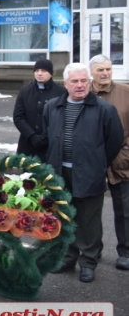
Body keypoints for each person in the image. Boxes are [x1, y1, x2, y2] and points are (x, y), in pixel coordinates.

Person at [45, 63, 123, 283]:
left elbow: (114, 141)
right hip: (60, 173)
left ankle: (88, 262)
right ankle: (68, 258)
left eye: (84, 81)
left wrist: (97, 163)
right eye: (75, 81)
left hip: (90, 173)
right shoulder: (52, 107)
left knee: (89, 222)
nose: (80, 86)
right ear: (65, 84)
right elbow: (47, 137)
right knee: (65, 218)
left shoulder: (104, 109)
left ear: (89, 82)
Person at [88, 55, 129, 271]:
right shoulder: (85, 93)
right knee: (92, 209)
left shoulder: (125, 92)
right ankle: (94, 248)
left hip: (121, 160)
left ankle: (126, 252)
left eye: (108, 69)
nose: (105, 73)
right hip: (92, 161)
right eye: (100, 70)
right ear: (91, 72)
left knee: (124, 209)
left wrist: (125, 153)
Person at [13, 59, 63, 162]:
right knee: (27, 176)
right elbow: (18, 117)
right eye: (37, 71)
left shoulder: (61, 92)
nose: (39, 74)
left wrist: (45, 136)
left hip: (50, 145)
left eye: (44, 71)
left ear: (51, 73)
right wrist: (32, 136)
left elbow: (61, 118)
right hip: (28, 144)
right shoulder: (25, 91)